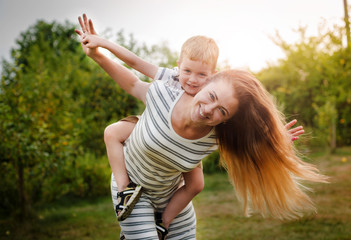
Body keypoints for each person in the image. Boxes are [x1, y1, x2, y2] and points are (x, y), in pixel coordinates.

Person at [76, 15, 322, 240]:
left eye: (221, 111)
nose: (208, 110)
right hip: (134, 190)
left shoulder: (217, 134)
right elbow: (132, 77)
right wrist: (99, 51)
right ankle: (124, 194)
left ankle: (163, 223)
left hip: (172, 198)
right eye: (212, 96)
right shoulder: (165, 90)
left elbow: (250, 145)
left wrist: (276, 143)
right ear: (208, 82)